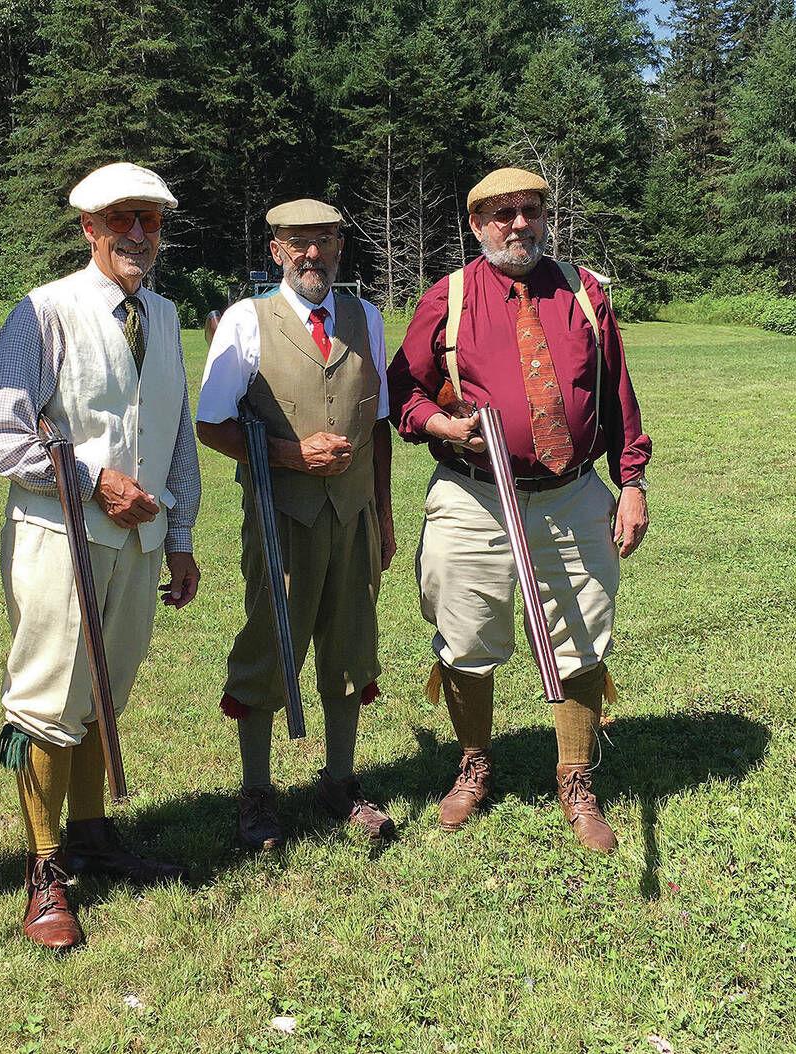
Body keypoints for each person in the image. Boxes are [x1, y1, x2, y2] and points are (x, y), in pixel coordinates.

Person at [388, 167, 651, 851]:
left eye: (529, 211)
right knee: (466, 633)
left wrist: (632, 481)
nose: (518, 225)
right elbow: (402, 390)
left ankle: (575, 776)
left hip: (571, 492)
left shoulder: (584, 293)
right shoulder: (449, 296)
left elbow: (616, 390)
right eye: (501, 215)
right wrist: (440, 427)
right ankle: (474, 762)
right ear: (476, 226)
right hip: (474, 494)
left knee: (584, 633)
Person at [0, 161, 201, 950]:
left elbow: (175, 439)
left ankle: (93, 835)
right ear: (89, 228)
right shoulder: (45, 312)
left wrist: (178, 538)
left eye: (151, 220)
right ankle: (43, 870)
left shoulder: (168, 316)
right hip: (58, 537)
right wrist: (91, 480)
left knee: (109, 690)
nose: (139, 234)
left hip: (138, 542)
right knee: (48, 699)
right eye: (122, 220)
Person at [196, 198, 397, 852]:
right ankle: (257, 793)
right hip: (281, 516)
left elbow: (379, 426)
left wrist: (384, 514)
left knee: (349, 645)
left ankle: (339, 782)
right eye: (298, 242)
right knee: (268, 647)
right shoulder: (245, 322)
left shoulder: (366, 317)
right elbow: (212, 423)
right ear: (277, 249)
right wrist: (286, 454)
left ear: (341, 246)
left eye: (326, 240)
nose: (314, 254)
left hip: (353, 516)